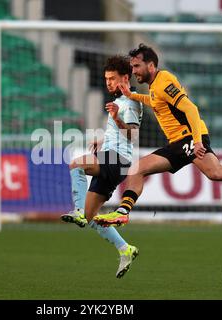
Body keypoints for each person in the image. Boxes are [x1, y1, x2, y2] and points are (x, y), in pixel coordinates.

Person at [94, 44, 222, 227]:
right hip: (177, 142)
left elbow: (191, 109)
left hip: (188, 138)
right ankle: (122, 212)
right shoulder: (156, 85)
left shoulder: (164, 82)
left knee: (216, 173)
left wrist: (197, 141)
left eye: (137, 66)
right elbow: (156, 101)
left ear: (151, 65)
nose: (134, 70)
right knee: (141, 170)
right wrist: (133, 96)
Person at [60, 55, 143, 278]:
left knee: (76, 164)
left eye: (113, 78)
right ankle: (125, 249)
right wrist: (103, 139)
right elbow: (117, 134)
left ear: (125, 78)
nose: (108, 82)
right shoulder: (119, 102)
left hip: (118, 159)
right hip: (111, 156)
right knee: (92, 218)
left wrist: (116, 119)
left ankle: (76, 210)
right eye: (106, 78)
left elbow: (132, 135)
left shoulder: (131, 101)